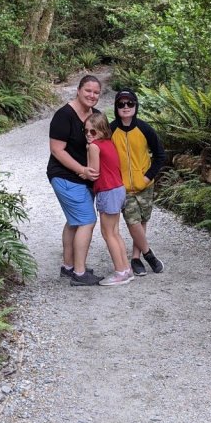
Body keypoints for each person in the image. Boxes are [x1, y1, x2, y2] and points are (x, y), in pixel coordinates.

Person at [47, 74, 101, 286]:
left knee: (74, 222)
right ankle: (80, 273)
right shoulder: (64, 115)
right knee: (87, 221)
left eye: (96, 92)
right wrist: (82, 170)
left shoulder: (96, 115)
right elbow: (57, 150)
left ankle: (68, 266)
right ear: (78, 90)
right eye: (88, 90)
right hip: (65, 176)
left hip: (85, 179)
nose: (92, 95)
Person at [110, 88, 166, 276]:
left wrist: (147, 177)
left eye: (130, 103)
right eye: (121, 104)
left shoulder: (144, 128)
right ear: (116, 107)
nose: (125, 107)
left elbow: (160, 155)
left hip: (145, 186)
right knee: (132, 221)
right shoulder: (110, 130)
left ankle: (135, 258)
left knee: (142, 221)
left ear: (135, 105)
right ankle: (149, 254)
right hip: (122, 187)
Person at [84, 113, 134, 287]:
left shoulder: (94, 146)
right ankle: (126, 269)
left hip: (107, 191)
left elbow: (93, 172)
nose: (88, 134)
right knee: (115, 232)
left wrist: (81, 171)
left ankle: (120, 273)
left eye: (92, 131)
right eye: (86, 131)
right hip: (118, 189)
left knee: (108, 233)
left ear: (102, 130)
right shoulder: (109, 143)